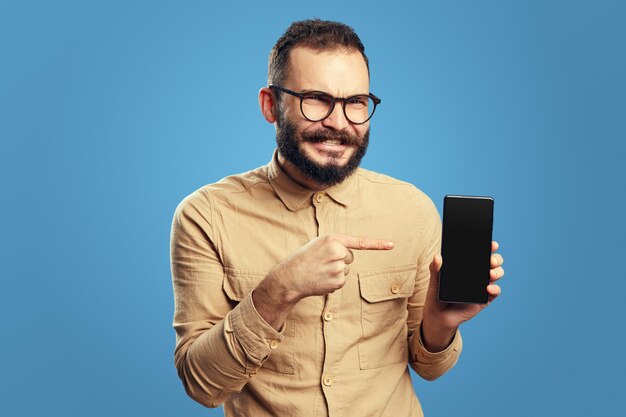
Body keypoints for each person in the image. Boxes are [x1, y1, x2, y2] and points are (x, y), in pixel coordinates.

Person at [170, 19, 505, 417]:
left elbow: (430, 366)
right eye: (316, 98)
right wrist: (277, 292)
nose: (339, 122)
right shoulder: (205, 215)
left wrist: (440, 324)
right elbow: (201, 384)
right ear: (270, 105)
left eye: (356, 102)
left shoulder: (412, 209)